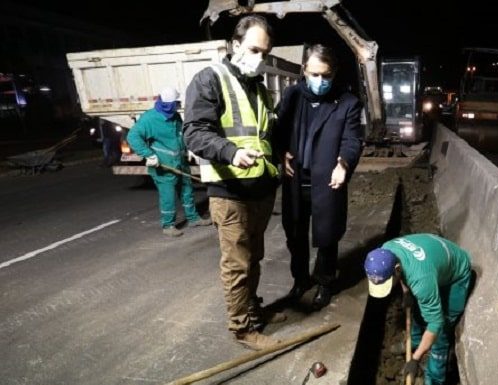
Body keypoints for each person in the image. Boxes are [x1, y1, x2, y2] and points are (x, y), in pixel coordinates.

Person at [183, 15, 285, 351]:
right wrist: (229, 152)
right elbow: (195, 133)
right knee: (237, 265)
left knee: (254, 258)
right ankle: (242, 329)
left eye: (265, 52)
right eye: (254, 49)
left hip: (259, 189)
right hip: (230, 192)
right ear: (235, 45)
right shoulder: (210, 79)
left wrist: (279, 158)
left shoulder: (258, 87)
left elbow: (264, 134)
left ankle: (252, 312)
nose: (259, 57)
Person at [273, 44, 363, 310]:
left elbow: (352, 139)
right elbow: (277, 129)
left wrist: (343, 164)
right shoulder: (291, 96)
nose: (320, 81)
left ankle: (325, 282)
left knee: (327, 236)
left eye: (325, 75)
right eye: (314, 74)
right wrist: (280, 153)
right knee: (295, 235)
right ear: (304, 70)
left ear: (334, 72)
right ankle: (300, 280)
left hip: (327, 183)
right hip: (295, 181)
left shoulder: (347, 103)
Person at [364, 233, 472, 385]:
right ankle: (414, 342)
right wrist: (407, 292)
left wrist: (415, 359)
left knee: (442, 330)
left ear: (396, 269)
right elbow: (402, 275)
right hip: (434, 262)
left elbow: (435, 324)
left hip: (456, 274)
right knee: (419, 308)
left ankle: (434, 379)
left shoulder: (421, 281)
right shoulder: (387, 249)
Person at [126, 86, 212, 237]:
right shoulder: (149, 119)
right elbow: (133, 137)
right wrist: (149, 155)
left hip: (180, 161)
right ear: (170, 104)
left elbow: (182, 134)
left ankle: (193, 218)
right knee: (168, 195)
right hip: (163, 164)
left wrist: (190, 149)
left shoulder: (174, 116)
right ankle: (168, 225)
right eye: (177, 103)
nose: (179, 106)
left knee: (187, 190)